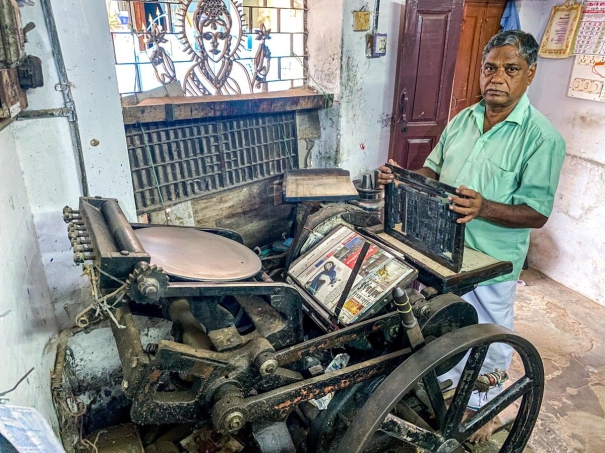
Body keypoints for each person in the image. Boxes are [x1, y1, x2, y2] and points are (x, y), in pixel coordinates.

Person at [379, 30, 565, 443]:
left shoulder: (541, 138)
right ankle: (452, 385)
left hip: (491, 258)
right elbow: (433, 171)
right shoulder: (463, 119)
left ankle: (486, 410)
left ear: (529, 74)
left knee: (491, 334)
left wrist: (485, 208)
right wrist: (403, 179)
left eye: (510, 69)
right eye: (490, 68)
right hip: (443, 250)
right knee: (448, 322)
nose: (497, 78)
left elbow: (536, 213)